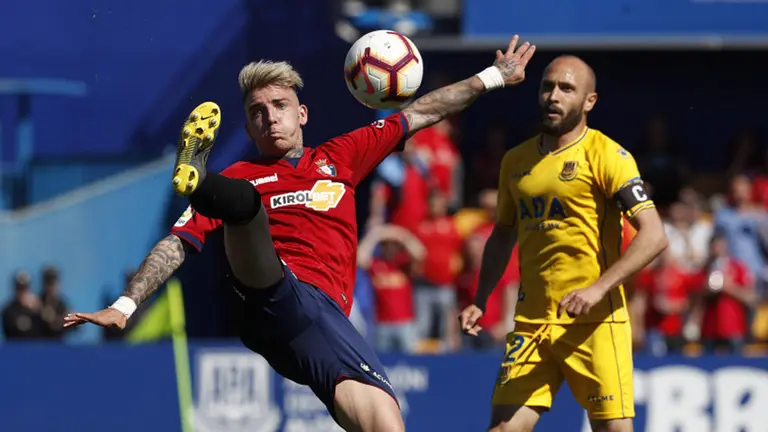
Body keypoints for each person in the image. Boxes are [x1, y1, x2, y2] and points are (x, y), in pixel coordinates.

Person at [64, 36, 536, 431]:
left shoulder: (339, 157)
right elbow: (176, 244)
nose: (270, 116)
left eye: (279, 106)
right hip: (269, 292)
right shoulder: (244, 173)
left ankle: (204, 185)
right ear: (248, 126)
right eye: (257, 111)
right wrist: (124, 306)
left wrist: (494, 77)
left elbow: (425, 111)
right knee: (244, 205)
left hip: (315, 326)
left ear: (302, 114)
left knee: (385, 423)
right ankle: (198, 178)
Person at [458, 55, 668, 432]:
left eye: (567, 89)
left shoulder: (609, 156)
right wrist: (480, 297)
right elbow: (503, 233)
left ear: (589, 101)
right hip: (532, 322)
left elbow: (654, 235)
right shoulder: (515, 161)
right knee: (502, 428)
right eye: (547, 86)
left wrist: (598, 288)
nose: (554, 96)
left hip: (594, 322)